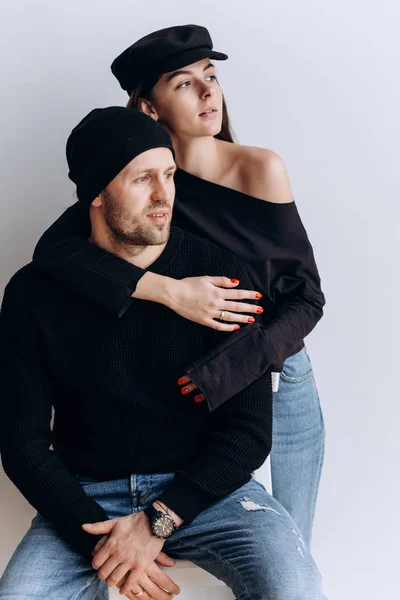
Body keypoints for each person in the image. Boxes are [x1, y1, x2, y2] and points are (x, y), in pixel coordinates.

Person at [0, 107, 325, 600]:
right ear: (96, 192)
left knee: (296, 589)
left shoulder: (223, 278)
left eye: (169, 175)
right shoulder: (33, 294)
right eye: (142, 179)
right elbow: (23, 446)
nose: (163, 195)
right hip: (88, 498)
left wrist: (158, 520)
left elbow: (249, 433)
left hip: (212, 493)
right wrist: (104, 542)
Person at [32, 25, 326, 545]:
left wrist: (233, 365)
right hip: (187, 390)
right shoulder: (143, 183)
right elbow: (54, 254)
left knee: (290, 542)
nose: (209, 92)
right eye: (185, 83)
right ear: (149, 108)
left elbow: (306, 296)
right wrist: (167, 290)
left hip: (278, 376)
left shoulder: (260, 169)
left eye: (211, 77)